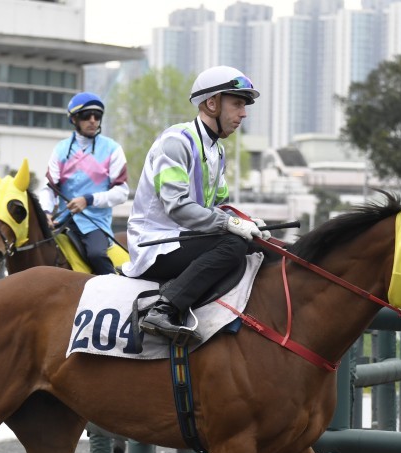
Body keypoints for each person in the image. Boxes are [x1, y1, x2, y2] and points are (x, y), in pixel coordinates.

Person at [122, 65, 269, 342]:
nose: (244, 113)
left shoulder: (217, 151)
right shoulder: (176, 142)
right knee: (234, 243)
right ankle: (163, 310)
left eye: (245, 106)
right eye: (237, 104)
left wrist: (247, 220)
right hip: (155, 244)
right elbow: (176, 206)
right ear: (212, 103)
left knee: (256, 244)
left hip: (186, 238)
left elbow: (220, 206)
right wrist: (230, 224)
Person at [40, 91, 128, 275]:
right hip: (63, 221)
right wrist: (46, 213)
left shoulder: (113, 149)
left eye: (97, 116)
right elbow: (49, 189)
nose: (93, 120)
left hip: (94, 223)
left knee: (96, 255)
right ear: (74, 119)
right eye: (87, 116)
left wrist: (88, 200)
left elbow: (121, 193)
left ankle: (113, 289)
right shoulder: (60, 149)